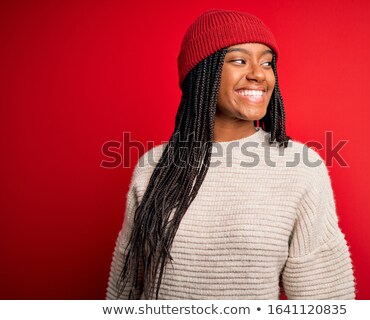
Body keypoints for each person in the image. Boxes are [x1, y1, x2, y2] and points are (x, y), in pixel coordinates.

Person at [106, 9, 356, 300]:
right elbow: (125, 291)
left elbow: (325, 297)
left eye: (267, 62)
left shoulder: (301, 168)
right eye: (239, 60)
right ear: (202, 73)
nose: (258, 74)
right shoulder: (152, 168)